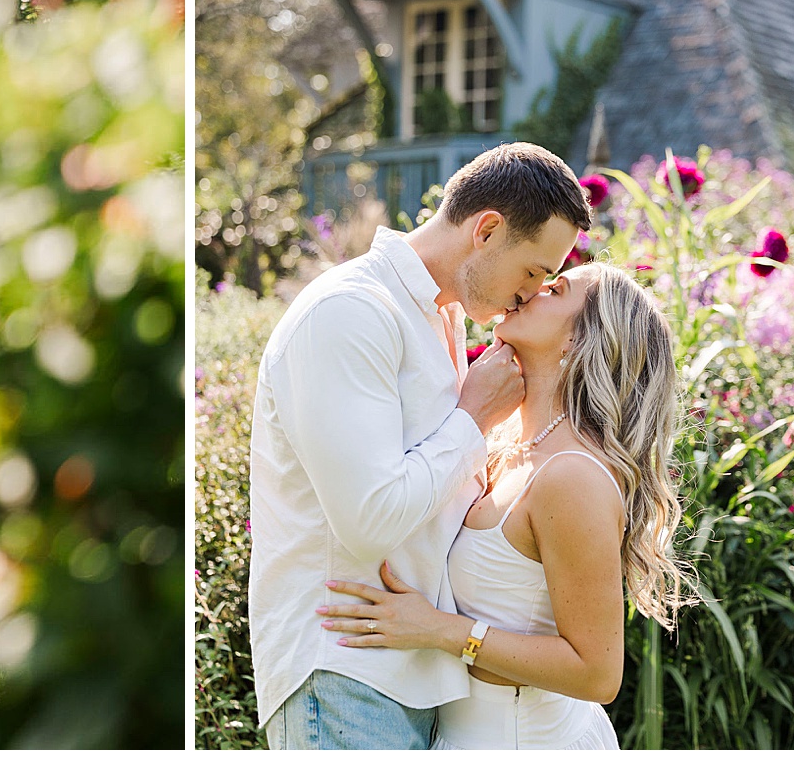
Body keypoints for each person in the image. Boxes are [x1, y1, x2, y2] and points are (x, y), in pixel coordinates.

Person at [249, 144, 590, 749]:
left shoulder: (442, 319)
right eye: (534, 272)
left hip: (414, 674)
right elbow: (370, 521)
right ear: (487, 230)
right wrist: (474, 416)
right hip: (344, 672)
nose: (532, 293)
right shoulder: (351, 313)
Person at [318, 261, 686, 750]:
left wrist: (438, 630)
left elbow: (597, 673)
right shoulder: (511, 447)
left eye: (554, 289)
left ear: (579, 340)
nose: (529, 291)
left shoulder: (572, 475)